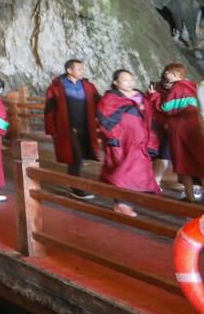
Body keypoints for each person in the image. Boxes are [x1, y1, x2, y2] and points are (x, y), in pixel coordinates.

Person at [97, 69, 160, 216]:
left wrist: (151, 142)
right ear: (115, 82)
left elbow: (151, 119)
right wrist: (112, 137)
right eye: (125, 80)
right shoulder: (110, 99)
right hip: (120, 143)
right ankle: (122, 203)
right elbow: (105, 119)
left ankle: (127, 201)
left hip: (140, 141)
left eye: (131, 80)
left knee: (136, 170)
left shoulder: (141, 96)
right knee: (122, 171)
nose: (130, 83)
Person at [43, 59, 100, 199]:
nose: (82, 72)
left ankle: (73, 184)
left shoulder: (88, 85)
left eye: (82, 69)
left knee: (78, 158)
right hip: (67, 128)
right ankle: (75, 188)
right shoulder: (56, 87)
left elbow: (100, 102)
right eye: (79, 69)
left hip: (85, 127)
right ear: (69, 70)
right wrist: (51, 129)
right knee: (75, 157)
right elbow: (49, 110)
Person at [150, 62, 204, 202]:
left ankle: (191, 198)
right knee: (199, 163)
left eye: (167, 73)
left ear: (173, 75)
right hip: (196, 128)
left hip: (181, 129)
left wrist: (155, 96)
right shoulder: (192, 85)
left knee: (183, 164)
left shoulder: (178, 87)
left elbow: (167, 108)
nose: (164, 75)